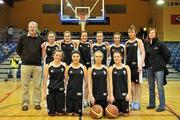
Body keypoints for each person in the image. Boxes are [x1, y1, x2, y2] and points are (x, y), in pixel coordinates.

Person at [16, 21, 44, 111]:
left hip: (37, 66)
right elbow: (18, 50)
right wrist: (25, 57)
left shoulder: (41, 39)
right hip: (25, 65)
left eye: (34, 27)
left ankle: (36, 102)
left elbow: (43, 52)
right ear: (28, 28)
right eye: (30, 27)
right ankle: (25, 103)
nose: (32, 28)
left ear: (37, 28)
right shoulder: (22, 38)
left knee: (37, 86)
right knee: (25, 85)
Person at [145, 28, 171, 112]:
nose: (151, 34)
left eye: (153, 33)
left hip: (159, 69)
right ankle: (152, 104)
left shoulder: (160, 44)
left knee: (159, 87)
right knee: (151, 87)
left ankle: (162, 106)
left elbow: (167, 55)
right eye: (150, 33)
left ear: (156, 34)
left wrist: (162, 64)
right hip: (149, 68)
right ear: (148, 35)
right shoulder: (148, 44)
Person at [125, 25, 145, 110]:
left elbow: (143, 53)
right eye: (129, 32)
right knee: (132, 84)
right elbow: (126, 55)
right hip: (129, 66)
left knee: (138, 84)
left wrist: (140, 65)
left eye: (132, 32)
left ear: (135, 33)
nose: (130, 33)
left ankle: (137, 101)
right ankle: (133, 101)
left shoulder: (139, 41)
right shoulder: (127, 43)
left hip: (137, 65)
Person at [43, 50, 66, 116]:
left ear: (61, 57)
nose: (58, 57)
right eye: (56, 55)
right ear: (53, 55)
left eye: (60, 56)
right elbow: (45, 80)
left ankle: (60, 108)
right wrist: (44, 92)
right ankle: (51, 108)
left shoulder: (64, 65)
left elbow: (66, 78)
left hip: (60, 88)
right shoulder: (48, 65)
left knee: (60, 113)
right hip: (51, 88)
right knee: (51, 113)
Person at [109, 51, 131, 116]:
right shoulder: (111, 68)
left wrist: (129, 94)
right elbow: (110, 83)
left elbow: (129, 81)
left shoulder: (126, 67)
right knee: (116, 114)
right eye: (115, 57)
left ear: (121, 57)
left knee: (125, 114)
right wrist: (111, 95)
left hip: (124, 95)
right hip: (115, 96)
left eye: (118, 57)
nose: (116, 58)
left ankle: (128, 106)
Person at [65, 50, 87, 115]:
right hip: (70, 92)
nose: (75, 58)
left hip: (79, 92)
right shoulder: (68, 67)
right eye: (74, 56)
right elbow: (65, 80)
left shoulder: (83, 67)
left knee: (77, 114)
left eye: (77, 56)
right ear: (71, 57)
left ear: (79, 57)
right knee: (69, 113)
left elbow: (86, 82)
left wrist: (86, 92)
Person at [88, 51, 109, 115]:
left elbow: (108, 82)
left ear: (102, 58)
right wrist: (91, 96)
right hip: (94, 96)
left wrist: (109, 95)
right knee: (95, 114)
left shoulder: (106, 68)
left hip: (104, 95)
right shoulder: (91, 69)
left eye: (100, 57)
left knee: (104, 114)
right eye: (97, 56)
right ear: (94, 58)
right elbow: (89, 83)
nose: (98, 58)